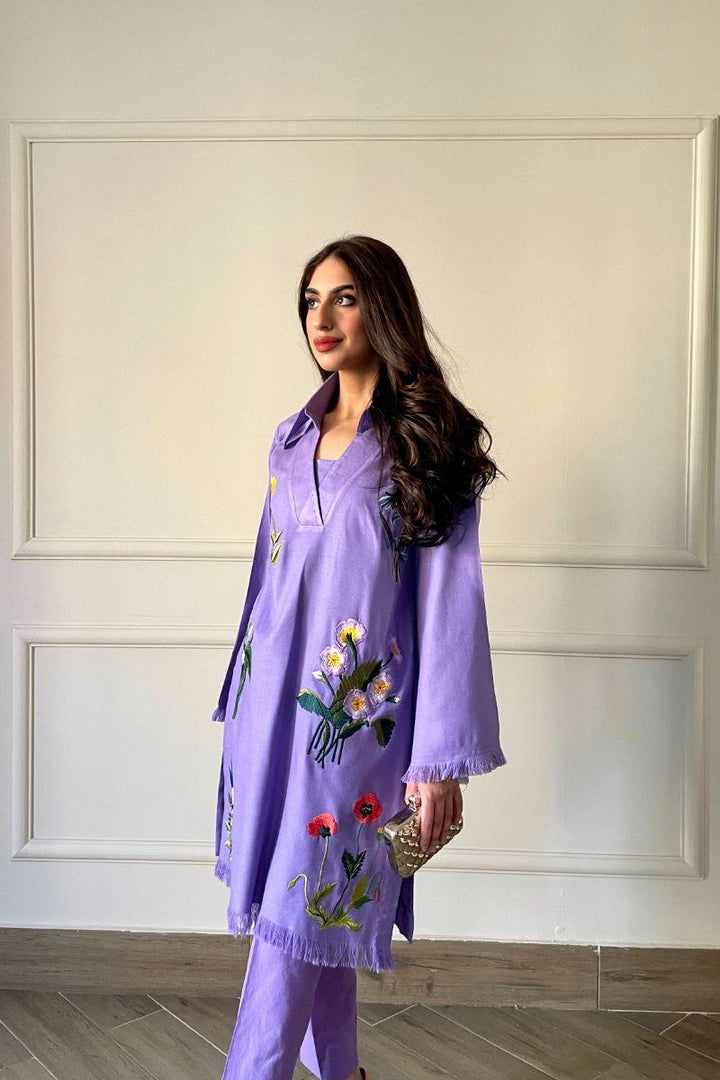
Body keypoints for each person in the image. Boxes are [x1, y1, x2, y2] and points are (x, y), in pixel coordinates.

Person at [212, 235, 508, 1080]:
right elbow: (267, 582)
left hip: (358, 737)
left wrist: (438, 763)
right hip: (271, 721)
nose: (323, 317)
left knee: (300, 909)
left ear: (381, 307)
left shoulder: (427, 445)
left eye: (344, 297)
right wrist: (237, 703)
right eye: (311, 300)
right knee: (317, 919)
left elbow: (451, 610)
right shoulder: (290, 439)